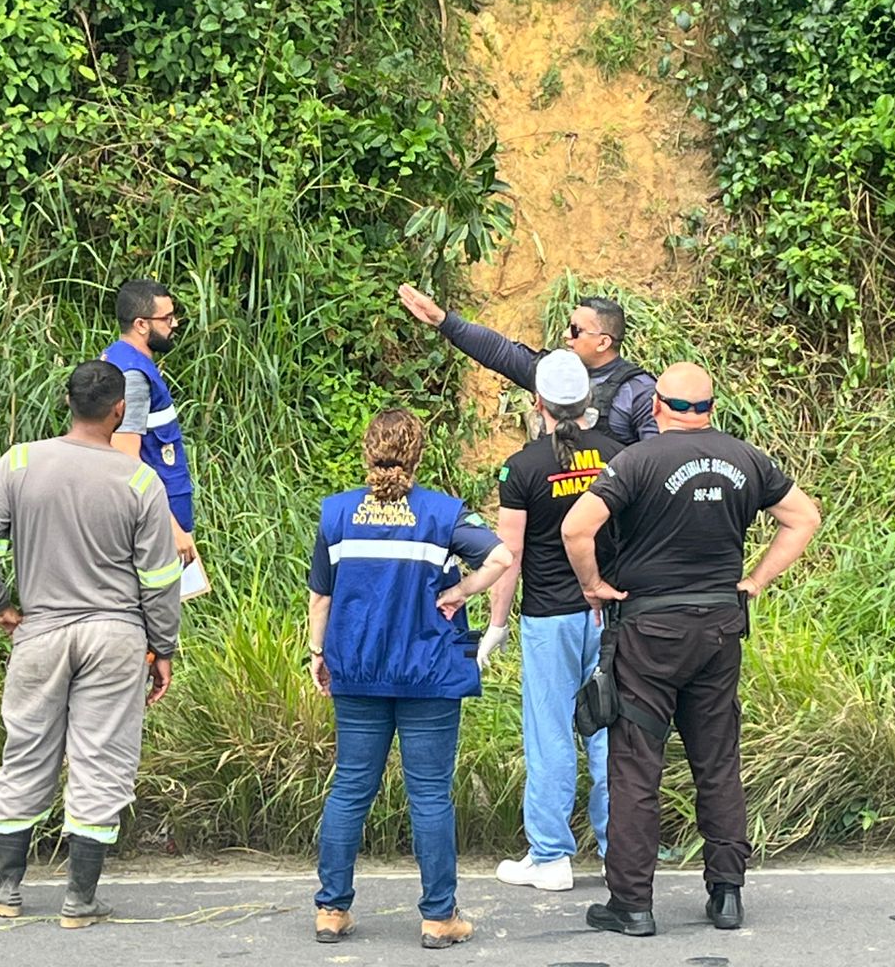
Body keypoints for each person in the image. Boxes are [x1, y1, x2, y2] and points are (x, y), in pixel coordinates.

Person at [560, 362, 821, 937]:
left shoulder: (636, 462)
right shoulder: (745, 458)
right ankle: (726, 893)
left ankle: (632, 904)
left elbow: (577, 529)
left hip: (650, 630)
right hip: (720, 627)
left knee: (635, 764)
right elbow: (803, 518)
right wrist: (753, 581)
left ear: (657, 407)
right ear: (709, 408)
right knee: (717, 759)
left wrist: (593, 585)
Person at [0, 360, 182, 930]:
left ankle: (5, 887)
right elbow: (159, 579)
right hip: (115, 638)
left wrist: (2, 604)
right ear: (118, 412)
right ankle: (79, 900)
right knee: (102, 761)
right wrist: (164, 649)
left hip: (42, 631)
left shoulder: (22, 462)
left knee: (27, 752)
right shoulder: (138, 481)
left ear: (67, 402)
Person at [307, 409, 515, 951]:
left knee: (351, 788)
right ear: (418, 456)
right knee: (429, 795)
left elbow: (322, 597)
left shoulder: (337, 515)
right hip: (427, 673)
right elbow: (501, 556)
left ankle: (332, 910)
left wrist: (316, 651)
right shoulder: (442, 514)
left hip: (357, 669)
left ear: (366, 452)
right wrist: (461, 592)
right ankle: (438, 917)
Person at [479, 351, 622, 892]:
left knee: (550, 733)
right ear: (588, 401)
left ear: (536, 402)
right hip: (609, 612)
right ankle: (619, 851)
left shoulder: (523, 467)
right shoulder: (617, 454)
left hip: (549, 618)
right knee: (611, 731)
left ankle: (551, 857)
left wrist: (496, 624)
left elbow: (507, 555)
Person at [398, 283, 657, 444]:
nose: (566, 335)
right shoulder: (552, 372)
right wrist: (443, 320)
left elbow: (658, 461)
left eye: (576, 330)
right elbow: (501, 352)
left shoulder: (638, 391)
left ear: (602, 343)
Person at [101, 279, 197, 566]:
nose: (175, 324)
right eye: (167, 318)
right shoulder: (132, 377)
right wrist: (172, 528)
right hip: (151, 527)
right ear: (142, 324)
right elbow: (125, 460)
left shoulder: (118, 358)